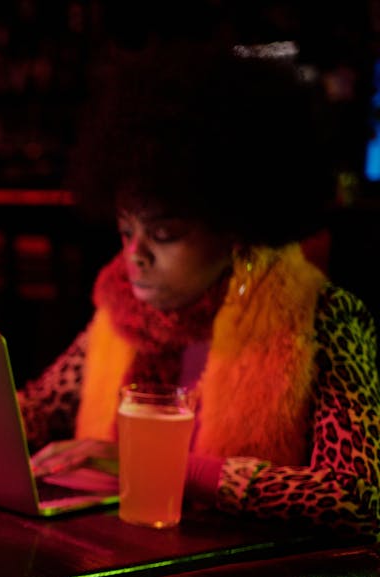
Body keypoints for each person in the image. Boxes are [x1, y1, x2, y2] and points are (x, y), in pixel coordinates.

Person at [19, 42, 379, 538]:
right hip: (108, 557)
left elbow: (357, 496)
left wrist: (165, 466)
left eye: (164, 234)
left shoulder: (320, 319)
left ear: (234, 230)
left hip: (244, 574)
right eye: (126, 231)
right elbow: (39, 407)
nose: (135, 255)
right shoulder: (121, 312)